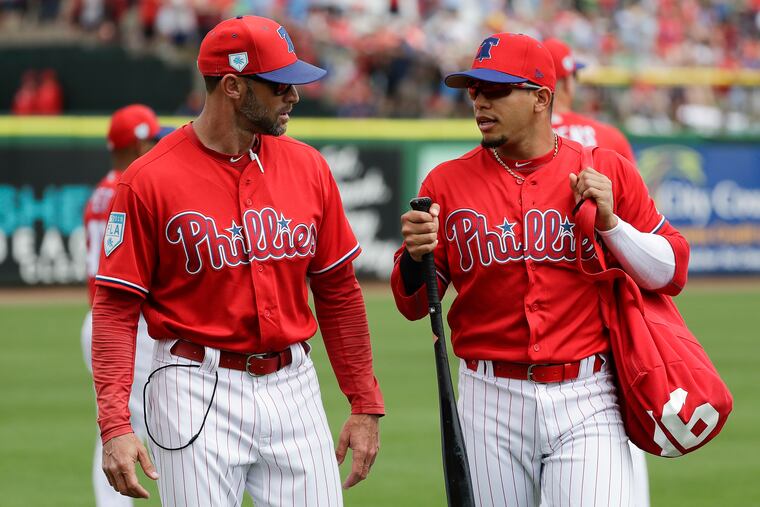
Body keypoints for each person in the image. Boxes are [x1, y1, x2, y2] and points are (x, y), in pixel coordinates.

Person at [91, 15, 384, 507]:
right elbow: (116, 309)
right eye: (279, 85)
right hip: (190, 387)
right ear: (231, 85)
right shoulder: (148, 179)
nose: (293, 95)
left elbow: (338, 291)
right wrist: (115, 424)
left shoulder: (307, 166)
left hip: (294, 384)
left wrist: (364, 400)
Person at [391, 33, 689, 506]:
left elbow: (671, 270)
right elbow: (410, 303)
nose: (480, 102)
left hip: (588, 395)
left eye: (496, 90)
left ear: (540, 98)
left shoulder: (603, 168)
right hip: (488, 397)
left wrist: (612, 226)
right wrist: (414, 256)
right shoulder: (445, 183)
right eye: (474, 90)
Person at [544, 37, 650, 507]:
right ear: (565, 80)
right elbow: (642, 230)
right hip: (611, 322)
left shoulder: (512, 140)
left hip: (548, 325)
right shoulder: (607, 138)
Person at [81, 103, 170, 507]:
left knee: (116, 428)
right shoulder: (131, 190)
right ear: (136, 145)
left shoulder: (102, 190)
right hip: (125, 324)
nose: (155, 144)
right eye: (150, 138)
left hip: (100, 319)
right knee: (147, 428)